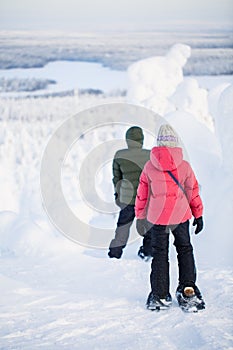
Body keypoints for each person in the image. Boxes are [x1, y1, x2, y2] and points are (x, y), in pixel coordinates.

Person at [135, 124, 205, 311]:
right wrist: (198, 214)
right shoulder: (184, 166)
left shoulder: (149, 167)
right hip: (181, 216)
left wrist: (140, 217)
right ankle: (188, 290)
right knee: (184, 250)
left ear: (158, 143)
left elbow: (142, 195)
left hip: (157, 218)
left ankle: (159, 295)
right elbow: (193, 192)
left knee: (160, 253)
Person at [108, 126, 151, 259]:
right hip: (147, 199)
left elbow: (117, 179)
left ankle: (115, 253)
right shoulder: (150, 155)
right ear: (141, 139)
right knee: (149, 228)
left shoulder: (119, 155)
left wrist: (118, 195)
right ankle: (147, 252)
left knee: (123, 227)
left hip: (127, 200)